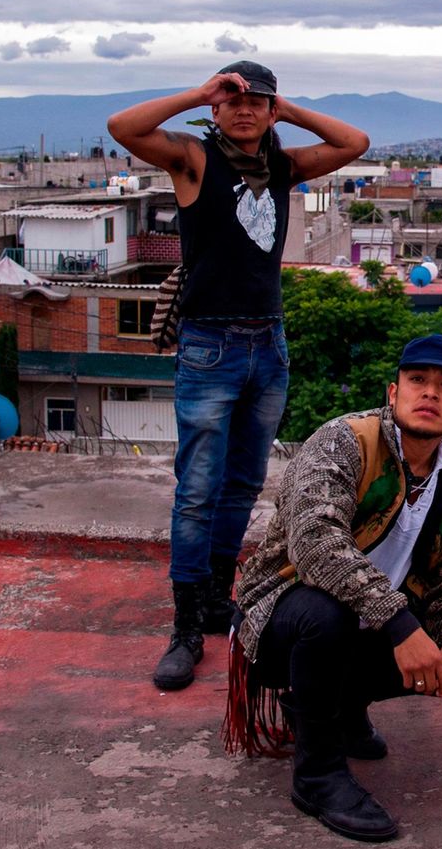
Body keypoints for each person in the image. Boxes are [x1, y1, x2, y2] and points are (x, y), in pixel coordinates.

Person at [107, 62, 370, 691]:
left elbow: (354, 144)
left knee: (243, 484)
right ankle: (185, 627)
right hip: (208, 344)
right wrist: (202, 92)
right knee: (196, 489)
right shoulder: (195, 161)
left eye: (256, 101)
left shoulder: (282, 167)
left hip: (267, 343)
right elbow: (122, 125)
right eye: (234, 99)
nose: (244, 109)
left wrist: (288, 107)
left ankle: (219, 600)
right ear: (217, 109)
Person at [223, 334, 442, 843]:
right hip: (280, 620)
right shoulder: (345, 440)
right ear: (392, 391)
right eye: (417, 380)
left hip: (365, 628)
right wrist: (402, 626)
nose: (430, 393)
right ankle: (316, 776)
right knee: (324, 613)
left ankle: (343, 703)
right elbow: (316, 543)